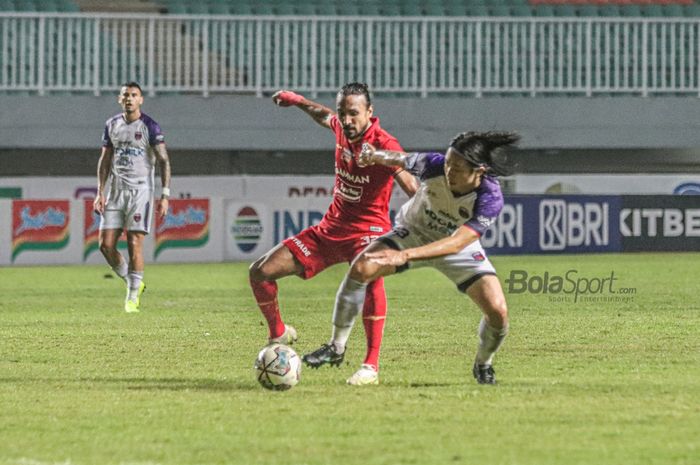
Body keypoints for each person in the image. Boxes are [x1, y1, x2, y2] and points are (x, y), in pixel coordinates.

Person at [305, 131, 519, 385]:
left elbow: (456, 243)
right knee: (361, 268)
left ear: (479, 171)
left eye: (458, 167)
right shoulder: (435, 165)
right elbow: (399, 158)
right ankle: (336, 347)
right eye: (449, 162)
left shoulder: (490, 197)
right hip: (413, 232)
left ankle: (484, 364)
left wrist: (404, 255)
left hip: (456, 247)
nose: (449, 170)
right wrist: (374, 155)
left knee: (498, 311)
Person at [249, 82, 418, 380]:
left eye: (354, 114)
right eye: (343, 113)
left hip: (369, 231)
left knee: (370, 280)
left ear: (370, 112)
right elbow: (322, 114)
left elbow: (410, 183)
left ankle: (370, 366)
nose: (347, 120)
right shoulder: (340, 126)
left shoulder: (385, 143)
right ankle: (278, 331)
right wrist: (297, 100)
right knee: (260, 272)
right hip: (329, 230)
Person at [93, 81, 171, 313]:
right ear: (120, 99)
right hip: (116, 191)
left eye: (134, 95)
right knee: (105, 246)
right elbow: (105, 159)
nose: (129, 98)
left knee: (133, 242)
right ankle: (132, 280)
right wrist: (100, 191)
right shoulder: (112, 124)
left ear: (141, 100)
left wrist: (165, 195)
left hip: (141, 193)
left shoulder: (150, 126)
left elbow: (164, 160)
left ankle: (132, 298)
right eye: (125, 95)